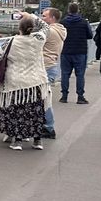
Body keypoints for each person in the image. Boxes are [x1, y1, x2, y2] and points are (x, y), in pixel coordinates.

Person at [0, 16, 49, 150]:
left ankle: (18, 141)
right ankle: (37, 141)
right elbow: (46, 27)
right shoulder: (39, 39)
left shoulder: (11, 41)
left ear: (19, 28)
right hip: (36, 82)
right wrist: (33, 16)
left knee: (17, 112)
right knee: (35, 111)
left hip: (16, 84)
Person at [59, 2, 94, 104]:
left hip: (66, 51)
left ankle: (64, 96)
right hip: (80, 51)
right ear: (78, 10)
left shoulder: (63, 22)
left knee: (65, 74)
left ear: (68, 10)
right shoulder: (83, 22)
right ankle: (80, 96)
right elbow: (90, 35)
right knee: (80, 75)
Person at [39, 7, 66, 138]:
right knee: (44, 98)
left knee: (43, 99)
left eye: (44, 16)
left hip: (45, 66)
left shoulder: (50, 31)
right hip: (51, 65)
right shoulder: (60, 30)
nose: (42, 18)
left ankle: (49, 127)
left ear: (53, 18)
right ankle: (46, 126)